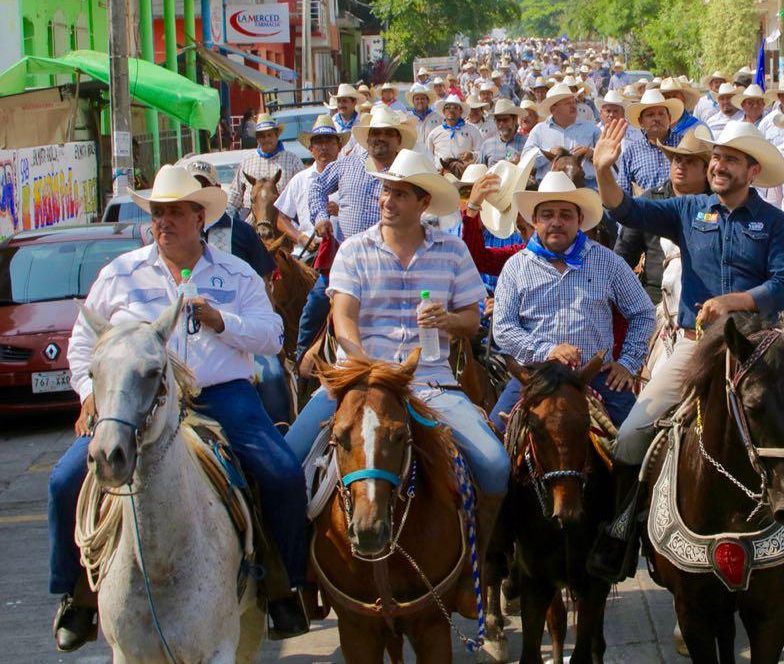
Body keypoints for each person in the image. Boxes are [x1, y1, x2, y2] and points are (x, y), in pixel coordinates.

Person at [589, 118, 784, 579]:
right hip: (696, 347)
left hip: (763, 348)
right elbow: (626, 211)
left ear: (752, 171)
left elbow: (781, 288)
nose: (717, 165)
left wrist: (731, 302)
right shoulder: (688, 209)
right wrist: (603, 172)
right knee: (633, 432)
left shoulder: (775, 224)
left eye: (730, 159)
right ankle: (618, 533)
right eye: (715, 157)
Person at [49, 166, 307, 651]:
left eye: (174, 212)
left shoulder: (235, 273)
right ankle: (77, 595)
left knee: (282, 473)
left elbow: (272, 335)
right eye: (158, 212)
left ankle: (283, 587)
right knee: (65, 481)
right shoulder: (120, 274)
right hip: (133, 402)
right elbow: (84, 343)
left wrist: (221, 321)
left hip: (220, 395)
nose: (163, 221)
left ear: (199, 218)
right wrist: (88, 393)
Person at [284, 149, 507, 613]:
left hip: (429, 381)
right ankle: (300, 575)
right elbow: (343, 318)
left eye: (400, 193)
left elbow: (472, 318)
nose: (387, 200)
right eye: (386, 190)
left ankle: (475, 571)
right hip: (360, 378)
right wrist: (365, 365)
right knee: (287, 461)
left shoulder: (451, 250)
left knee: (494, 464)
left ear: (423, 203)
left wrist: (448, 319)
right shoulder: (355, 249)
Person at [489, 172, 656, 430]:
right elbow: (503, 328)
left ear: (579, 220)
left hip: (596, 376)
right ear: (534, 220)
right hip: (534, 375)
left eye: (566, 215)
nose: (556, 222)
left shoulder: (607, 261)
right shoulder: (516, 267)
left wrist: (627, 364)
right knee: (494, 451)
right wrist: (548, 351)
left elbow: (643, 312)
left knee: (636, 441)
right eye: (547, 215)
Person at [298, 105, 415, 362]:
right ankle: (300, 368)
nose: (379, 138)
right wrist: (320, 217)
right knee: (314, 306)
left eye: (387, 132)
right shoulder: (348, 164)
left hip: (396, 263)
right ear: (367, 137)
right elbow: (317, 185)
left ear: (398, 139)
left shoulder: (410, 171)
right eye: (375, 132)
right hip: (347, 262)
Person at [615, 128, 711, 303]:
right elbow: (624, 253)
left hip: (707, 301)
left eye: (690, 162)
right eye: (677, 160)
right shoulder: (650, 200)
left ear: (706, 170)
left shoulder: (717, 204)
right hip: (656, 299)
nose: (681, 166)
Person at [184, 160, 276, 276]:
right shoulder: (174, 232)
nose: (198, 191)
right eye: (193, 185)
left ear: (218, 188)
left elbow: (263, 281)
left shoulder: (243, 232)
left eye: (204, 184)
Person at [273, 113, 347, 250]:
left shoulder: (350, 177)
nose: (324, 147)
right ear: (311, 149)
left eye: (329, 141)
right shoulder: (300, 180)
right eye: (318, 142)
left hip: (345, 250)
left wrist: (342, 213)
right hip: (310, 251)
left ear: (339, 147)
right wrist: (301, 237)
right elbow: (281, 218)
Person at [522, 82, 600, 184]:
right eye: (568, 103)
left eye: (574, 102)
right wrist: (548, 153)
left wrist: (592, 153)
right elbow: (525, 160)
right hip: (549, 186)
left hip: (585, 183)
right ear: (553, 109)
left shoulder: (591, 128)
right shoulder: (539, 130)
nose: (573, 106)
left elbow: (606, 154)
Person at [228, 112, 304, 215]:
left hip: (284, 216)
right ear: (257, 139)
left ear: (277, 135)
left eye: (269, 135)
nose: (266, 139)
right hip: (251, 216)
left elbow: (302, 191)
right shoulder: (247, 162)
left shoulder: (293, 160)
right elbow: (235, 194)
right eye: (262, 136)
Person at [428, 94, 484, 170]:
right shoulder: (434, 133)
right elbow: (428, 156)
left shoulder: (472, 130)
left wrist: (471, 155)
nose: (451, 110)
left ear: (460, 111)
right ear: (444, 111)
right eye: (447, 108)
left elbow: (482, 152)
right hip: (441, 174)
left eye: (455, 107)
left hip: (463, 173)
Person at [478, 99, 527, 166]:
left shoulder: (526, 143)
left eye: (505, 120)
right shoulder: (487, 145)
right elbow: (479, 170)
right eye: (498, 120)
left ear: (515, 119)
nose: (501, 124)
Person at [407, 83, 443, 157]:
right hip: (414, 157)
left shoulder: (438, 117)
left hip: (433, 157)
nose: (420, 101)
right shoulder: (407, 118)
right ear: (413, 101)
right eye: (417, 99)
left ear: (428, 101)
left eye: (423, 98)